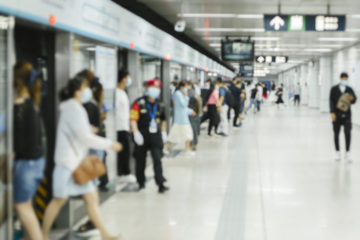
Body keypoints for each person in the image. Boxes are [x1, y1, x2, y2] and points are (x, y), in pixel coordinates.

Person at [41, 77, 123, 240]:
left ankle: (105, 234)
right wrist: (110, 144)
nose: (88, 91)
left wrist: (88, 131)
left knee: (91, 198)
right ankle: (41, 235)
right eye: (86, 87)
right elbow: (84, 138)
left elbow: (80, 133)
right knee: (58, 200)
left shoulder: (76, 108)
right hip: (67, 164)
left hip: (78, 164)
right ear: (77, 91)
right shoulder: (73, 108)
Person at [13, 61, 45, 240]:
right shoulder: (32, 103)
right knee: (26, 206)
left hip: (25, 164)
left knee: (22, 206)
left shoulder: (20, 106)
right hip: (36, 163)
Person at [130, 78, 169, 193]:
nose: (155, 90)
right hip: (142, 135)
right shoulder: (138, 103)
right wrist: (136, 132)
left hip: (155, 136)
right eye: (153, 88)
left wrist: (163, 132)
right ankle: (140, 182)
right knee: (140, 160)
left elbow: (163, 120)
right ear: (146, 88)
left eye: (157, 88)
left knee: (157, 159)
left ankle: (160, 183)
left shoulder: (160, 104)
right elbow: (133, 118)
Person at [330, 72, 357, 162]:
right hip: (336, 115)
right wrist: (332, 112)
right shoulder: (334, 89)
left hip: (347, 115)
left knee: (348, 133)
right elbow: (331, 101)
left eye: (346, 79)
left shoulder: (349, 89)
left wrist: (352, 99)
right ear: (340, 79)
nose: (345, 80)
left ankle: (347, 153)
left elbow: (354, 100)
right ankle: (337, 152)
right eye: (343, 79)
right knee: (336, 134)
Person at [115, 69, 136, 183]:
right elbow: (117, 112)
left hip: (124, 126)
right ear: (123, 79)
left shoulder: (123, 92)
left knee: (126, 151)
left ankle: (123, 173)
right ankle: (124, 173)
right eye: (128, 77)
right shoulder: (117, 93)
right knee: (124, 151)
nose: (129, 80)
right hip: (119, 127)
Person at [164, 81, 196, 155]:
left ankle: (186, 149)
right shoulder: (178, 94)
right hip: (181, 119)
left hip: (182, 118)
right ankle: (187, 150)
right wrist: (186, 96)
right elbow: (183, 104)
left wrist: (190, 111)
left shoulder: (180, 94)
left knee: (177, 134)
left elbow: (183, 108)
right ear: (182, 86)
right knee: (186, 134)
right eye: (187, 86)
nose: (188, 88)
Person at [188, 81, 202, 151]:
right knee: (194, 129)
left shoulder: (190, 92)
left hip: (192, 112)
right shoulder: (193, 91)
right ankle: (193, 144)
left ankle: (193, 145)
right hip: (194, 112)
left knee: (192, 129)